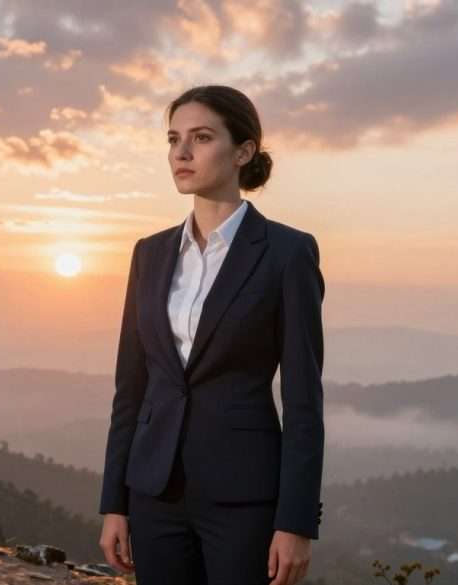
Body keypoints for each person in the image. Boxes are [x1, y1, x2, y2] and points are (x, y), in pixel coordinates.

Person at [97, 85, 325, 585]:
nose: (181, 152)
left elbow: (304, 400)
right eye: (173, 139)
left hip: (243, 498)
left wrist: (296, 521)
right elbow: (130, 389)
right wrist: (114, 502)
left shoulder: (287, 254)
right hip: (155, 495)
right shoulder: (149, 254)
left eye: (201, 137)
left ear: (243, 151)